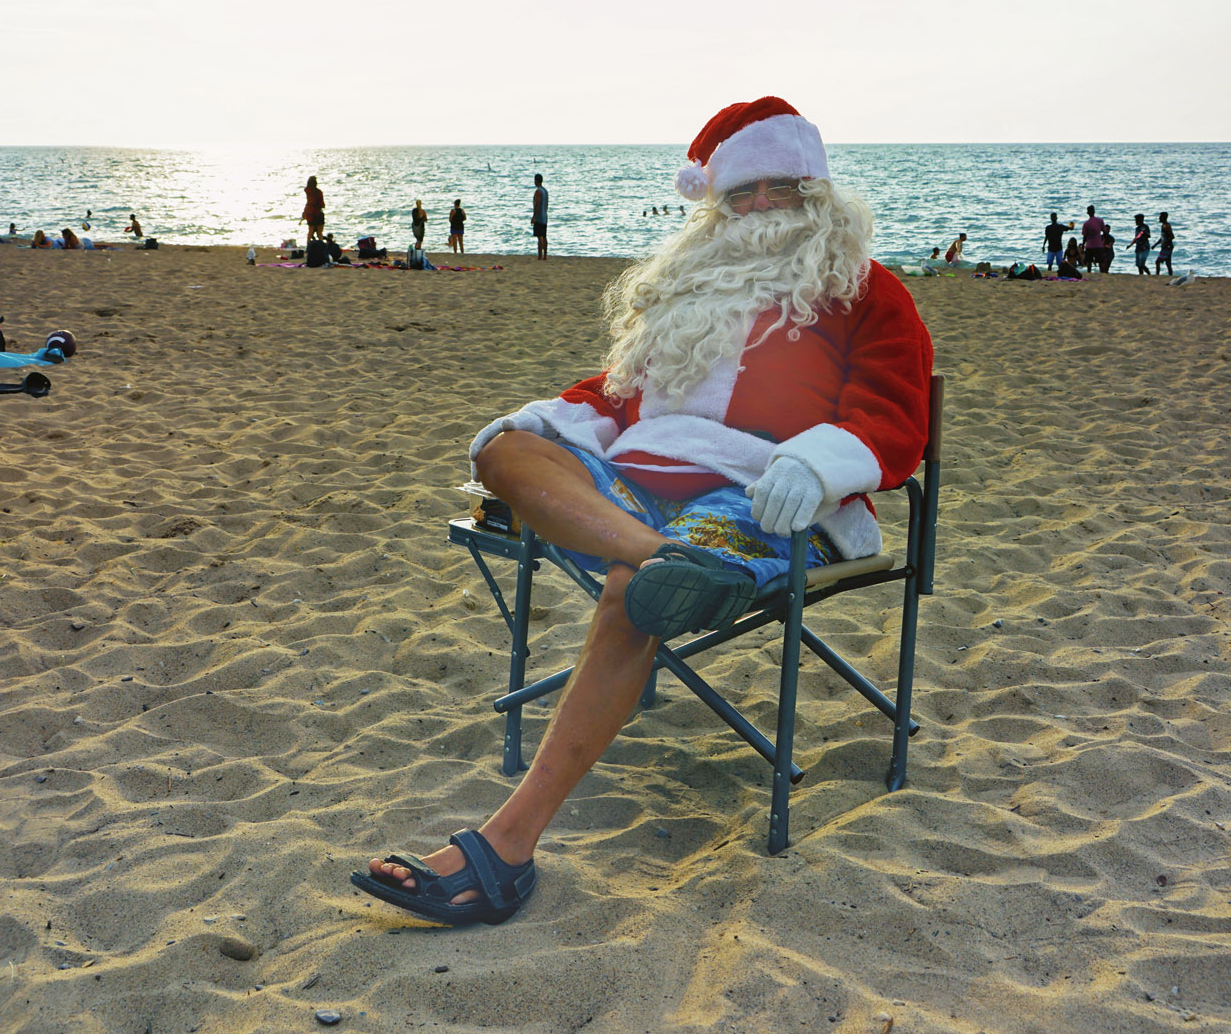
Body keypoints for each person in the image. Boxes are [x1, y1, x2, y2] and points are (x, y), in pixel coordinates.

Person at [351, 95, 935, 927]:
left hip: (765, 495)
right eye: (742, 192)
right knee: (505, 448)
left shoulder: (866, 291)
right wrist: (560, 421)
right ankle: (670, 565)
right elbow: (620, 397)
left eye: (781, 186)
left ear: (817, 188)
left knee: (631, 592)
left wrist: (819, 460)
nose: (762, 205)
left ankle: (506, 849)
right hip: (643, 496)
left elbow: (894, 414)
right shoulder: (688, 287)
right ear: (715, 204)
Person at [1081, 205, 1106, 273]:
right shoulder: (1100, 221)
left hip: (1090, 245)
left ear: (1088, 213)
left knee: (1089, 261)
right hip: (1098, 244)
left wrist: (1083, 245)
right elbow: (1105, 232)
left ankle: (1089, 273)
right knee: (1101, 261)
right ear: (1094, 212)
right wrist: (1103, 241)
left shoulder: (1086, 224)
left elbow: (1085, 236)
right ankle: (1102, 273)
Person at [301, 177, 325, 242]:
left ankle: (308, 246)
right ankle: (321, 246)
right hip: (317, 213)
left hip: (309, 212)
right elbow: (321, 204)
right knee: (319, 233)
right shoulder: (319, 192)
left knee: (310, 231)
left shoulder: (308, 191)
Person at [532, 173, 549, 260]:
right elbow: (546, 205)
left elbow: (537, 204)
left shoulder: (538, 191)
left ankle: (540, 255)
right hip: (544, 215)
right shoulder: (545, 191)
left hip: (539, 216)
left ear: (536, 181)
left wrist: (534, 216)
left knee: (540, 236)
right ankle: (545, 255)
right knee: (544, 236)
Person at [1154, 211, 1176, 276]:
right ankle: (1170, 276)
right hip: (1167, 246)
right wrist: (1155, 244)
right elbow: (1162, 237)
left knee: (1158, 262)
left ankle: (1157, 275)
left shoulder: (1166, 226)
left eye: (1160, 217)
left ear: (1164, 217)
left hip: (1167, 247)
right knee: (1168, 263)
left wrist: (1165, 243)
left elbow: (1172, 236)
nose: (1159, 218)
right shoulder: (1163, 226)